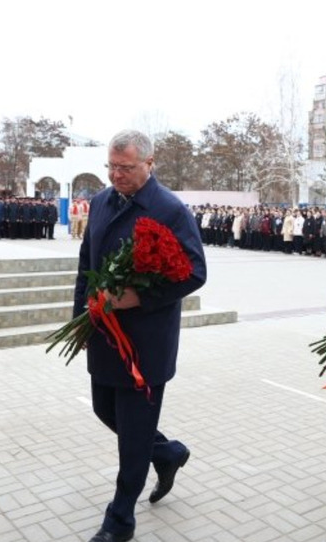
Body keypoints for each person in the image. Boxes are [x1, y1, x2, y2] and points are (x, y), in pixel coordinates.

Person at [74, 130, 207, 542]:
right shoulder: (100, 203)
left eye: (126, 168)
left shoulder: (169, 210)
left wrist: (139, 298)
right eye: (111, 167)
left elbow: (195, 272)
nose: (116, 175)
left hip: (144, 342)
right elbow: (86, 265)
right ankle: (167, 453)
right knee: (104, 409)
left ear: (150, 164)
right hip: (103, 333)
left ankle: (120, 520)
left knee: (132, 436)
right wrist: (80, 317)